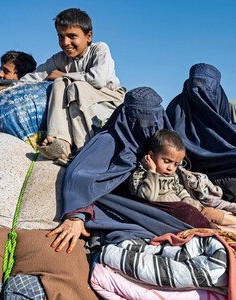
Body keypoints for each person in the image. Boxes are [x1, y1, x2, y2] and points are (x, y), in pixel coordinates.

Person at [47, 87, 212, 254]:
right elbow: (80, 176)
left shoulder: (158, 143)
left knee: (191, 214)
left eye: (154, 118)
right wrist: (77, 217)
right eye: (142, 118)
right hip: (118, 205)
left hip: (150, 201)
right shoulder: (108, 141)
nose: (148, 125)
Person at [166, 63, 236, 224]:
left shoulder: (219, 100)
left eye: (206, 86)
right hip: (190, 172)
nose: (200, 90)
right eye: (196, 84)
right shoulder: (177, 108)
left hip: (224, 168)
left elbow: (225, 132)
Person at [21, 8, 124, 165]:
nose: (66, 43)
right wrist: (5, 89)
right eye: (61, 37)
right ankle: (61, 142)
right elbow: (34, 77)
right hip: (80, 100)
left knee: (74, 86)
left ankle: (84, 147)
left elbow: (97, 80)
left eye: (72, 36)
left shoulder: (99, 49)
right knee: (60, 83)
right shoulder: (60, 59)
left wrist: (64, 75)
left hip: (110, 100)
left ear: (89, 36)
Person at [129, 129, 236, 243]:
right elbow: (149, 195)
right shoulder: (141, 175)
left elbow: (180, 190)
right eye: (167, 161)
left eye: (176, 164)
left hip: (185, 208)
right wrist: (152, 172)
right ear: (151, 156)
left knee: (210, 212)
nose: (171, 168)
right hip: (172, 217)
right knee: (208, 226)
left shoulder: (170, 175)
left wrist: (191, 203)